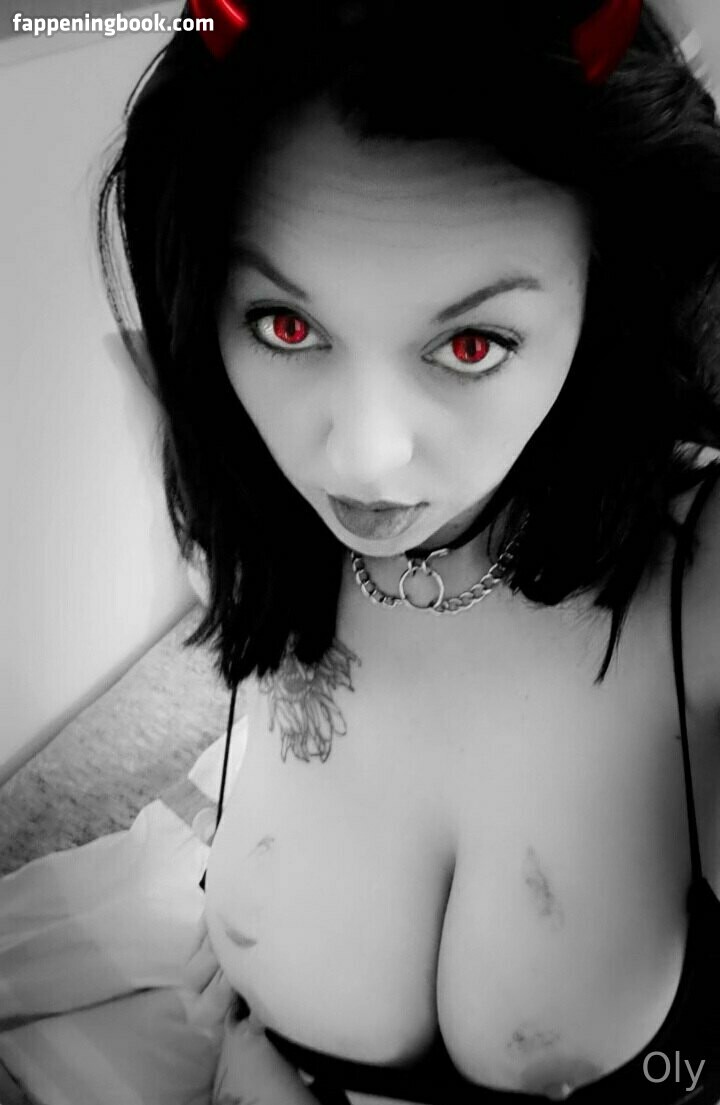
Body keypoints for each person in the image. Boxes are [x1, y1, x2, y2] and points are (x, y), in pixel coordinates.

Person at [97, 0, 720, 1101]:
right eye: (287, 327)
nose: (364, 459)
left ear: (607, 297)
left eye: (472, 342)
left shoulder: (701, 576)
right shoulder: (245, 492)